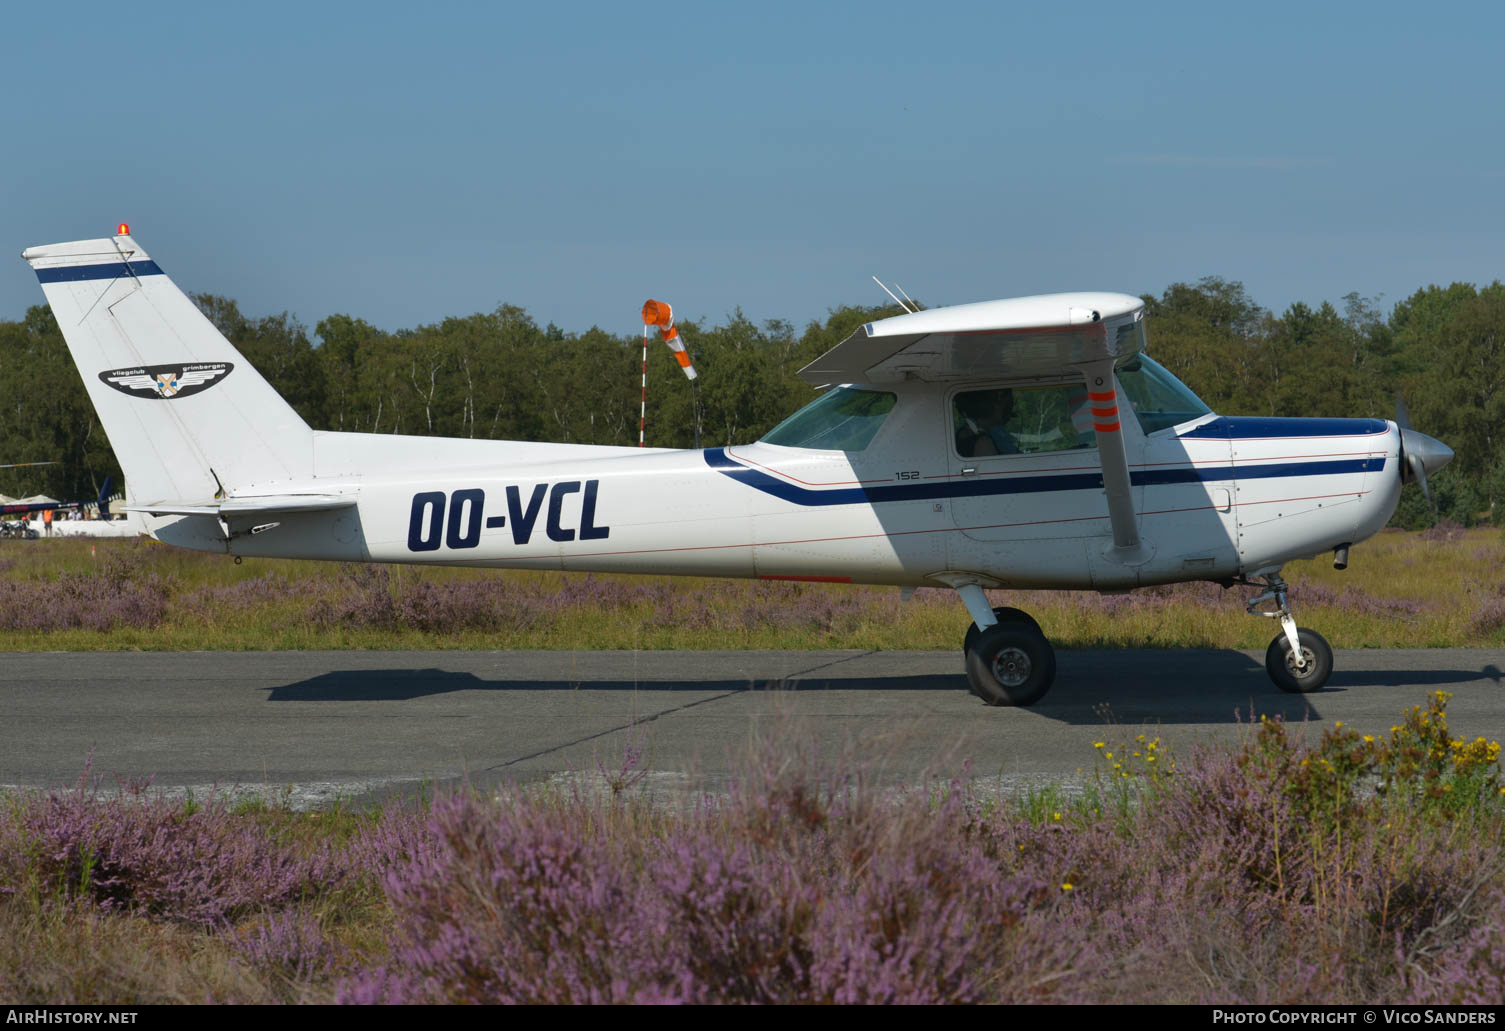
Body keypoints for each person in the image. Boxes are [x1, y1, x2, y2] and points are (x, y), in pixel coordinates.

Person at [954, 389, 1020, 457]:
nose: (1003, 408)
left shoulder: (964, 432)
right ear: (990, 406)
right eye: (998, 402)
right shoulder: (983, 443)